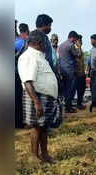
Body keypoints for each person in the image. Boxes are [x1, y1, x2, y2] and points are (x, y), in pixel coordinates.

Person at [18, 30, 62, 164]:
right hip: (37, 97)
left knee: (44, 127)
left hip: (45, 97)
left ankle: (45, 155)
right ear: (38, 42)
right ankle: (34, 157)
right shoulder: (29, 57)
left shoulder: (39, 56)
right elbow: (27, 81)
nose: (46, 44)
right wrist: (36, 102)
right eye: (45, 41)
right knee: (37, 127)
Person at [58, 31, 81, 113]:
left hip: (63, 69)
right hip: (70, 70)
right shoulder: (71, 45)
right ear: (73, 37)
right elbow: (78, 55)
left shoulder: (61, 45)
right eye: (75, 39)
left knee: (65, 89)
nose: (76, 40)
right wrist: (78, 46)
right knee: (71, 88)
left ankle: (66, 106)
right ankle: (68, 107)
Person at [15, 23, 29, 129]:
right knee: (18, 98)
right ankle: (18, 123)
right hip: (17, 74)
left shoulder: (18, 42)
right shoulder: (21, 43)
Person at [75, 35, 86, 110]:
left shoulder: (80, 48)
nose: (81, 42)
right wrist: (78, 46)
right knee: (79, 89)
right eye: (79, 40)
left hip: (82, 72)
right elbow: (78, 56)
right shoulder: (75, 48)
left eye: (81, 40)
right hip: (77, 73)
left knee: (82, 88)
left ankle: (80, 103)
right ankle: (78, 104)